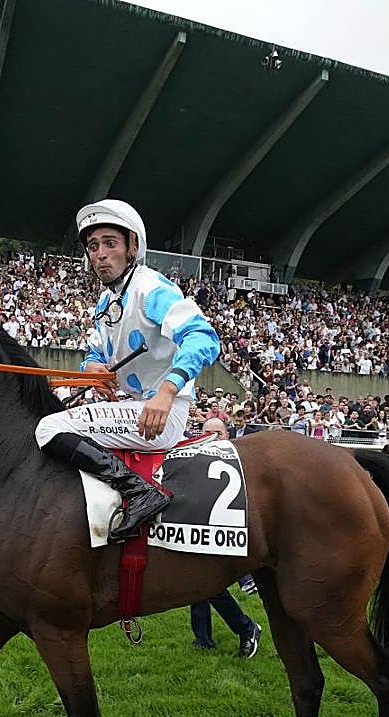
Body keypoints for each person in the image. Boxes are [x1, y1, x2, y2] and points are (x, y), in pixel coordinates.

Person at [35, 199, 220, 542]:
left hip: (160, 414)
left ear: (132, 247)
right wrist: (92, 368)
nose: (100, 255)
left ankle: (139, 492)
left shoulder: (151, 289)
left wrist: (167, 391)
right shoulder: (105, 302)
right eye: (93, 247)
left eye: (110, 243)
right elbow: (94, 352)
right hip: (134, 407)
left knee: (49, 428)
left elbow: (203, 337)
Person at [187, 418, 263, 656]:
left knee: (206, 585)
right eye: (206, 432)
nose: (211, 437)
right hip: (199, 530)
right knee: (195, 585)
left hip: (229, 532)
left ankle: (246, 627)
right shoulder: (193, 458)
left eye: (217, 433)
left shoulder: (240, 460)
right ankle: (203, 638)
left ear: (227, 435)